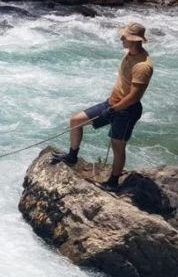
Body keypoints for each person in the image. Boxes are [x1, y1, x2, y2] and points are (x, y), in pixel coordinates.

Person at [52, 22, 154, 191]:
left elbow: (135, 97)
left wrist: (113, 111)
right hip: (112, 103)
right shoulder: (129, 54)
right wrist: (111, 106)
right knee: (76, 121)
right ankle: (72, 156)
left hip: (126, 110)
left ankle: (113, 182)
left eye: (125, 36)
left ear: (135, 40)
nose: (121, 38)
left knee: (117, 146)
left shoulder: (143, 66)